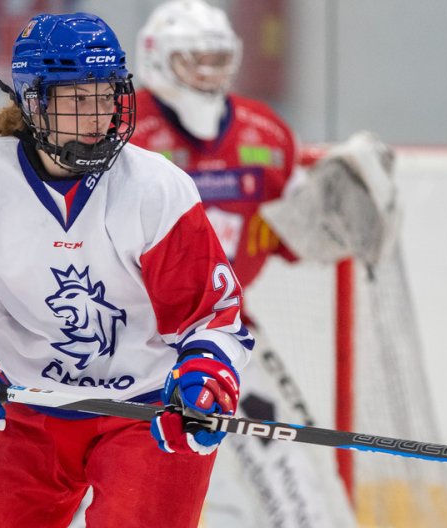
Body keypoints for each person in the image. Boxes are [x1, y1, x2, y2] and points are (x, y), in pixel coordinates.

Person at [0, 12, 252, 528]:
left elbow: (212, 316)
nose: (98, 116)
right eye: (78, 99)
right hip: (27, 409)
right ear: (34, 101)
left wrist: (205, 377)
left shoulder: (156, 189)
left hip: (147, 413)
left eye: (106, 96)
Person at [128, 1, 402, 527]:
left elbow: (296, 238)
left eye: (217, 57)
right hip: (123, 338)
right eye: (194, 58)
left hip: (220, 333)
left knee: (282, 463)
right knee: (110, 468)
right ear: (158, 59)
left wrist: (342, 211)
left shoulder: (266, 136)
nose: (209, 71)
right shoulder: (121, 131)